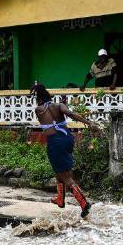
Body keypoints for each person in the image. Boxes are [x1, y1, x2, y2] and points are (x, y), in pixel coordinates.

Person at [31, 83, 97, 218]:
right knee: (59, 169)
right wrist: (89, 123)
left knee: (66, 176)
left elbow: (46, 115)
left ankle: (84, 203)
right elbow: (71, 114)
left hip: (55, 142)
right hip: (67, 138)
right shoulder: (59, 105)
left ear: (38, 98)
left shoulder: (38, 109)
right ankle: (60, 199)